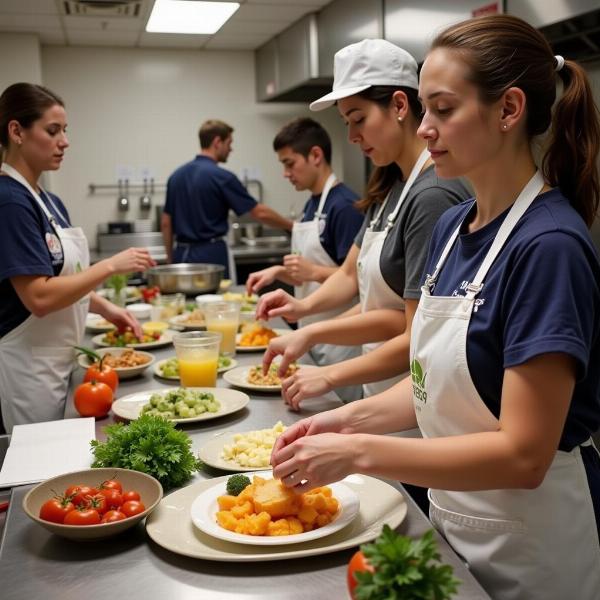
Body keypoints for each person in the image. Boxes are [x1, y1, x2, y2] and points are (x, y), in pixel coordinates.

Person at [271, 15, 600, 600]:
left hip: (531, 546)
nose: (424, 130)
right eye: (423, 110)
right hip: (453, 527)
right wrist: (340, 420)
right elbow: (432, 385)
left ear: (509, 109)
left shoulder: (549, 247)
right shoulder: (453, 226)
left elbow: (524, 453)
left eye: (443, 110)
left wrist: (358, 452)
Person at [256, 39, 469, 406]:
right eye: (346, 123)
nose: (352, 137)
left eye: (359, 120)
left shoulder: (433, 195)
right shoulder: (389, 186)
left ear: (400, 105)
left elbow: (414, 329)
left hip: (414, 400)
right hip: (381, 390)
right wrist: (302, 311)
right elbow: (350, 276)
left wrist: (321, 353)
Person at [0, 82, 155, 433]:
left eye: (65, 131)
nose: (64, 141)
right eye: (52, 131)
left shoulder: (48, 201)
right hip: (28, 367)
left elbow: (67, 280)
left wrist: (106, 308)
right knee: (35, 475)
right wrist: (110, 265)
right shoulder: (10, 201)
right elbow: (38, 297)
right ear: (16, 131)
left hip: (57, 358)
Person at [246, 117, 364, 402]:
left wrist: (312, 271)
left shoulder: (345, 206)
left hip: (342, 342)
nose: (286, 173)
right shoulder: (312, 203)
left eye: (289, 163)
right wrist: (278, 272)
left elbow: (360, 279)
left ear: (315, 155)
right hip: (311, 334)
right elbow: (311, 273)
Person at [161, 119, 293, 281]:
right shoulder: (222, 177)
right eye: (229, 143)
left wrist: (170, 259)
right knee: (219, 303)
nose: (231, 149)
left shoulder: (175, 176)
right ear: (217, 142)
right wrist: (292, 226)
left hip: (181, 256)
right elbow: (259, 212)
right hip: (211, 255)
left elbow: (166, 223)